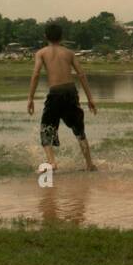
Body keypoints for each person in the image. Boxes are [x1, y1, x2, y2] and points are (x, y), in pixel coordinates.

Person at [27, 22, 97, 170]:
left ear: (45, 36)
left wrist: (30, 98)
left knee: (46, 130)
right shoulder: (69, 53)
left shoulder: (41, 53)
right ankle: (89, 164)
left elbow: (36, 74)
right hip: (71, 92)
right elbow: (81, 75)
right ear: (62, 37)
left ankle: (52, 162)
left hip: (55, 93)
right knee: (79, 131)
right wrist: (90, 98)